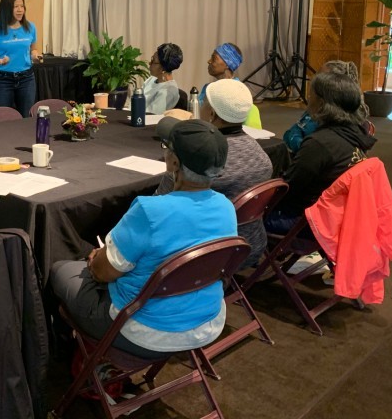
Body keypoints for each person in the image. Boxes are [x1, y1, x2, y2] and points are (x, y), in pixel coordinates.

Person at [51, 119, 237, 358]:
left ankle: (69, 352)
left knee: (59, 270)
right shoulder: (226, 207)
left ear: (174, 162)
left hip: (143, 330)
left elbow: (103, 272)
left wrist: (98, 258)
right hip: (207, 322)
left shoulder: (150, 211)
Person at [157, 79, 272, 268]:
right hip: (250, 246)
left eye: (203, 103)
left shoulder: (200, 162)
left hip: (202, 256)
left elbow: (160, 205)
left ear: (210, 114)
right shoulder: (261, 154)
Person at [265, 71, 377, 235]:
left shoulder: (319, 144)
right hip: (339, 218)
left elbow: (288, 188)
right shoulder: (357, 134)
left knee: (245, 217)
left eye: (311, 95)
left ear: (322, 104)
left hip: (308, 222)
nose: (308, 100)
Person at [283, 59, 369, 153]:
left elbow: (310, 148)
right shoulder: (317, 107)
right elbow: (290, 133)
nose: (314, 78)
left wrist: (296, 140)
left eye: (320, 75)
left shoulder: (335, 118)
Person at [0, 0, 41, 117]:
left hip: (27, 79)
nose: (20, 10)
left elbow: (33, 49)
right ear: (6, 9)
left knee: (27, 117)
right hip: (3, 80)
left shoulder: (31, 27)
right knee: (3, 118)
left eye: (22, 6)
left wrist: (35, 56)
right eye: (16, 7)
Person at [199, 42, 262, 128]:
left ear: (227, 64)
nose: (209, 61)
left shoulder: (239, 94)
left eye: (214, 58)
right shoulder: (208, 88)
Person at [143, 42, 183, 114]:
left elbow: (152, 115)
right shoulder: (151, 79)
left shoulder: (168, 91)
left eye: (153, 61)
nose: (149, 63)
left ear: (163, 68)